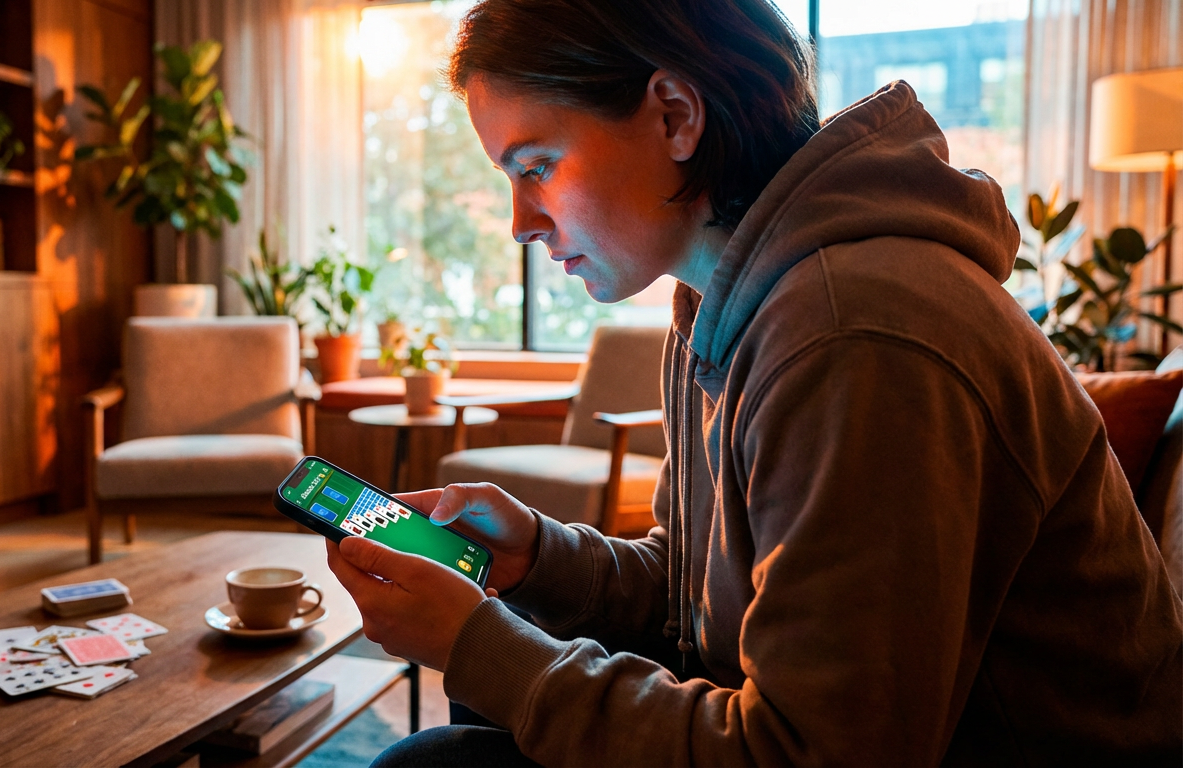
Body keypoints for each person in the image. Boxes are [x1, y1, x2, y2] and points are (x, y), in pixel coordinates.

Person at [325, 0, 1183, 765]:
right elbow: (699, 589)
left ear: (674, 115)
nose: (520, 222)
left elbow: (819, 750)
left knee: (438, 758)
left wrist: (483, 645)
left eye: (537, 165)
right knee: (499, 678)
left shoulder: (855, 332)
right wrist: (541, 555)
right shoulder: (722, 301)